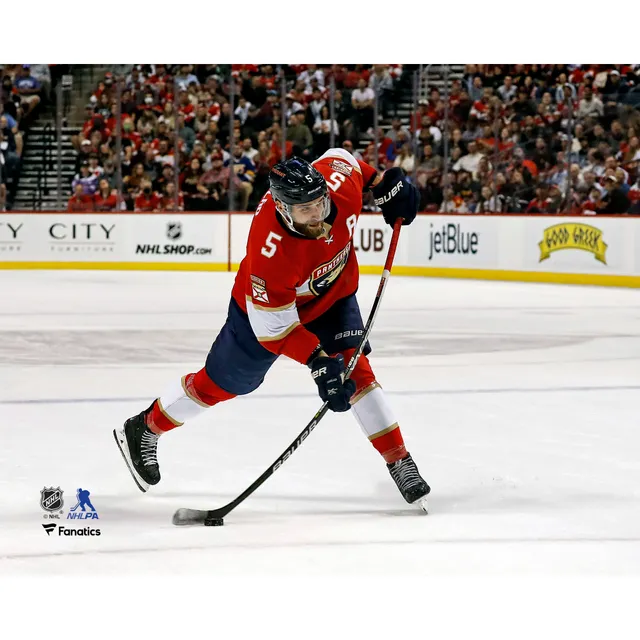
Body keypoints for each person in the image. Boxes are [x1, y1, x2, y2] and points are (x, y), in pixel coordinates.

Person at [114, 149, 430, 510]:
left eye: (320, 203)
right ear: (283, 210)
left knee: (356, 371)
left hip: (332, 296)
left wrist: (383, 183)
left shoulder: (337, 185)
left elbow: (346, 159)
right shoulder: (270, 252)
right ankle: (145, 427)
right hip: (265, 315)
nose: (318, 216)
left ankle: (399, 459)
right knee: (223, 384)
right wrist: (317, 361)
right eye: (305, 210)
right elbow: (276, 329)